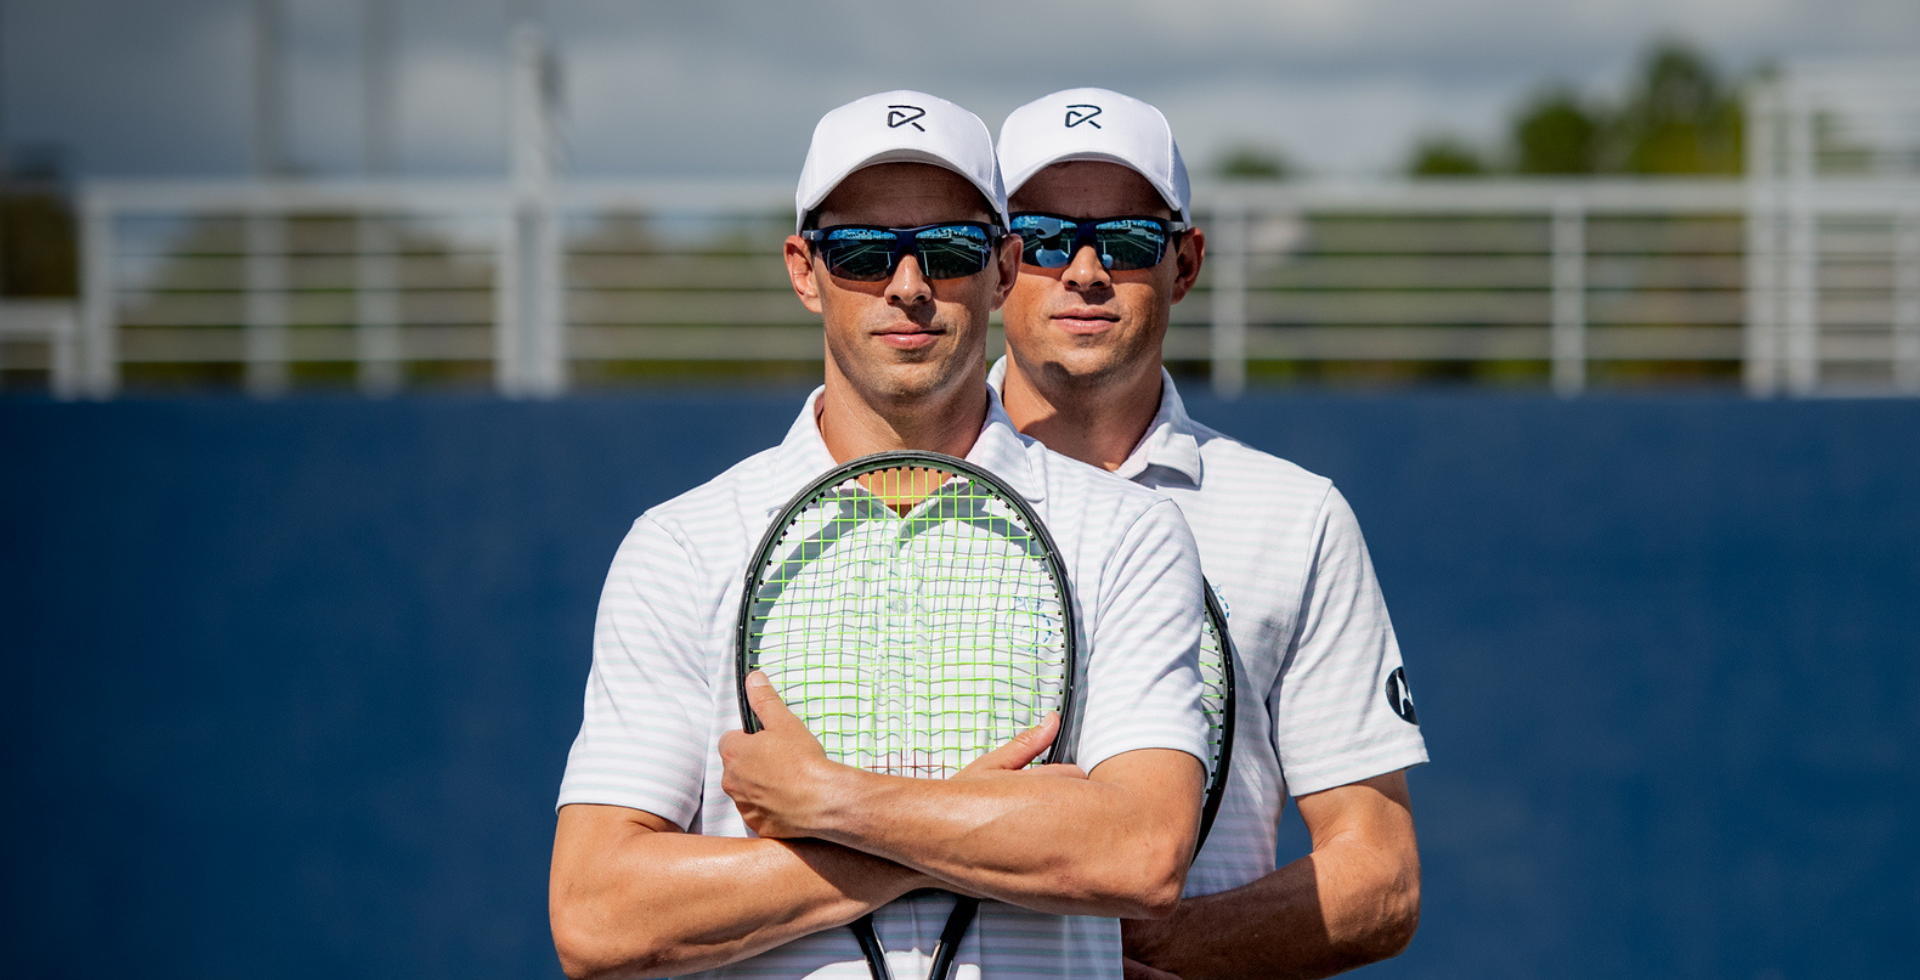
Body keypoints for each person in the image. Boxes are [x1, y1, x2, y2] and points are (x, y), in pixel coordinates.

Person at [548, 91, 1215, 980]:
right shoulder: (683, 543)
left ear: (1005, 267)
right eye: (863, 252)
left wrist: (827, 802)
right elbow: (597, 915)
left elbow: (1139, 853)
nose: (909, 285)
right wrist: (976, 829)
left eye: (948, 249)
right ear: (803, 268)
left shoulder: (1129, 533)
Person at [987, 88, 1430, 980]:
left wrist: (1146, 957)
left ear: (1185, 264)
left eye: (1127, 240)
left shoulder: (1296, 517)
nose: (1083, 269)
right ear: (998, 264)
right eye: (1043, 236)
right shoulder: (892, 501)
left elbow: (1379, 873)